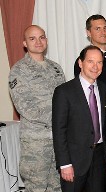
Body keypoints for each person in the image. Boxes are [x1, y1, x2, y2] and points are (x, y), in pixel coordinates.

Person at [8, 25, 65, 192]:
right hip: (36, 144)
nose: (38, 42)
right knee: (37, 188)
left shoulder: (56, 68)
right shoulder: (18, 71)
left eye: (42, 37)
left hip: (58, 141)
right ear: (25, 43)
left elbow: (66, 100)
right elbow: (25, 107)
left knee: (57, 187)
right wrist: (59, 119)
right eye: (32, 38)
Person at [52, 45, 106, 192]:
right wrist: (64, 164)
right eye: (90, 61)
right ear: (80, 63)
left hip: (100, 159)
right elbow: (59, 131)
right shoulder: (64, 91)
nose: (95, 66)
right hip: (74, 161)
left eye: (99, 62)